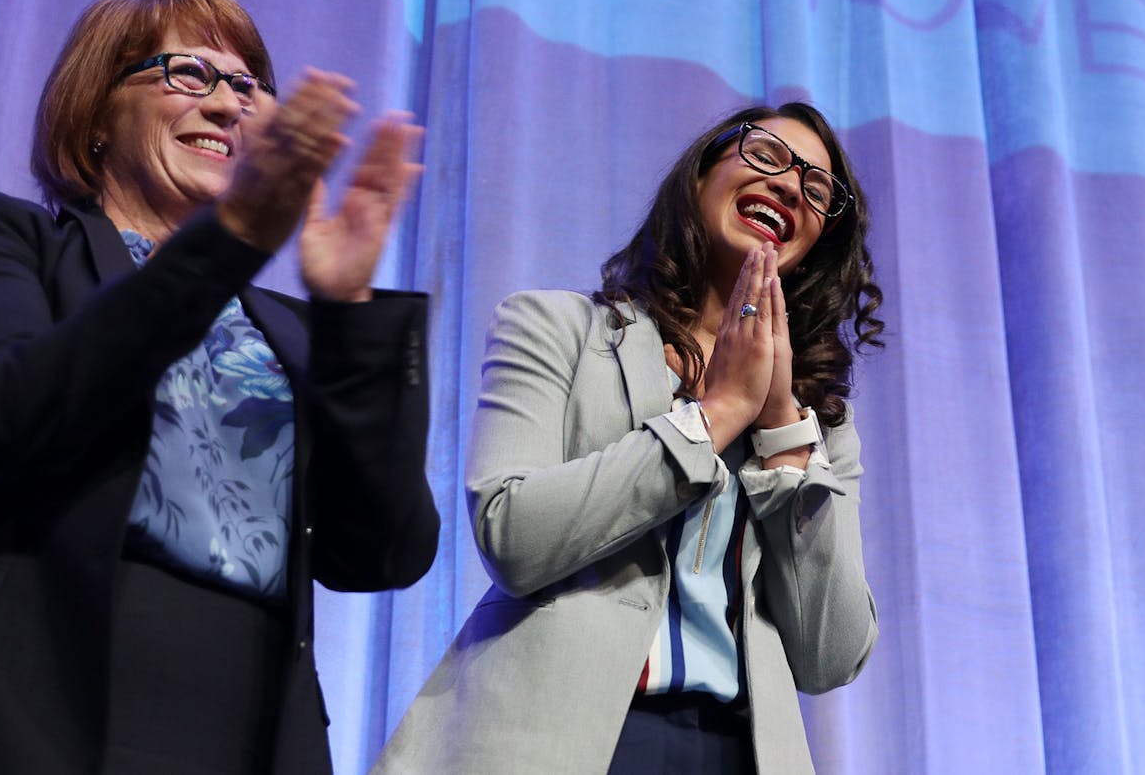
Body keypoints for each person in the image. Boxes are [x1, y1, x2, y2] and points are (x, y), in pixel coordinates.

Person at [0, 0, 439, 775]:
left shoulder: (290, 331)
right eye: (189, 74)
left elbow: (381, 553)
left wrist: (348, 313)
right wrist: (228, 240)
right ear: (97, 115)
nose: (229, 105)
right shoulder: (4, 237)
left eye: (246, 85)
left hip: (230, 733)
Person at [372, 104, 883, 774]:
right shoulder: (556, 328)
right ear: (702, 173)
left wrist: (781, 423)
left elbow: (832, 654)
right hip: (553, 741)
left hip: (736, 750)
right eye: (765, 155)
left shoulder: (820, 429)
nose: (790, 186)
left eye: (817, 191)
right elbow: (512, 533)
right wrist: (714, 414)